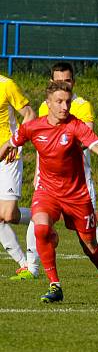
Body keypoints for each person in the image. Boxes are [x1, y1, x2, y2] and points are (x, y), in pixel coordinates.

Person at [0, 80, 98, 304]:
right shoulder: (33, 127)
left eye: (67, 102)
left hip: (77, 195)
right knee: (40, 228)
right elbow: (10, 143)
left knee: (89, 245)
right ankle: (55, 285)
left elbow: (97, 146)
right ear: (48, 103)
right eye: (59, 102)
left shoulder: (75, 126)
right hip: (47, 191)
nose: (65, 107)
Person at [0, 74, 36, 276]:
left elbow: (29, 114)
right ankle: (24, 265)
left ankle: (41, 216)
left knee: (8, 215)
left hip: (8, 156)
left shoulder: (6, 85)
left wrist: (16, 141)